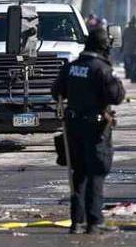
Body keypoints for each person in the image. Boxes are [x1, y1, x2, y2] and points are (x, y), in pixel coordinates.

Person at [52, 27, 125, 235]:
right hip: (96, 128)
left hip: (74, 126)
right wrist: (115, 77)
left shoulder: (72, 67)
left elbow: (56, 91)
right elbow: (117, 96)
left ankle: (77, 221)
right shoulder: (101, 68)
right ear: (104, 46)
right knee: (97, 171)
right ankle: (95, 221)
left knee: (79, 172)